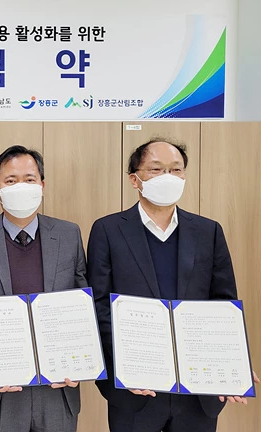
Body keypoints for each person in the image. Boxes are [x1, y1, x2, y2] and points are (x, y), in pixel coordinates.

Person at [88, 139, 259, 432]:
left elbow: (223, 305)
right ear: (135, 179)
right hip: (135, 389)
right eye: (156, 169)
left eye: (175, 170)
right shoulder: (108, 230)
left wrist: (232, 365)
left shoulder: (208, 231)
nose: (168, 177)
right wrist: (125, 367)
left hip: (197, 391)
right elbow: (99, 305)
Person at [0, 145, 87, 432]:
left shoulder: (68, 234)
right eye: (11, 181)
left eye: (29, 179)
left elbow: (82, 305)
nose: (21, 187)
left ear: (42, 185)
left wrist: (81, 360)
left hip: (57, 387)